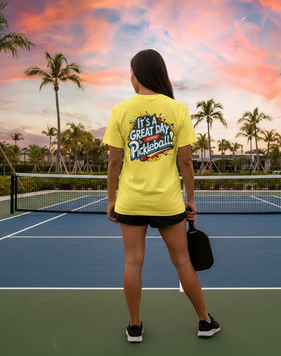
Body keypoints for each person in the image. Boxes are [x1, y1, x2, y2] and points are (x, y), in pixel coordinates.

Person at [103, 49, 220, 343]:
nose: (130, 77)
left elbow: (114, 162)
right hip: (168, 203)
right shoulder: (177, 109)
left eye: (131, 71)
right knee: (183, 262)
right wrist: (190, 198)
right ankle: (205, 322)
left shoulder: (120, 110)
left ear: (139, 74)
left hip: (131, 201)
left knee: (132, 262)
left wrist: (111, 199)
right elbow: (186, 163)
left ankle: (134, 326)